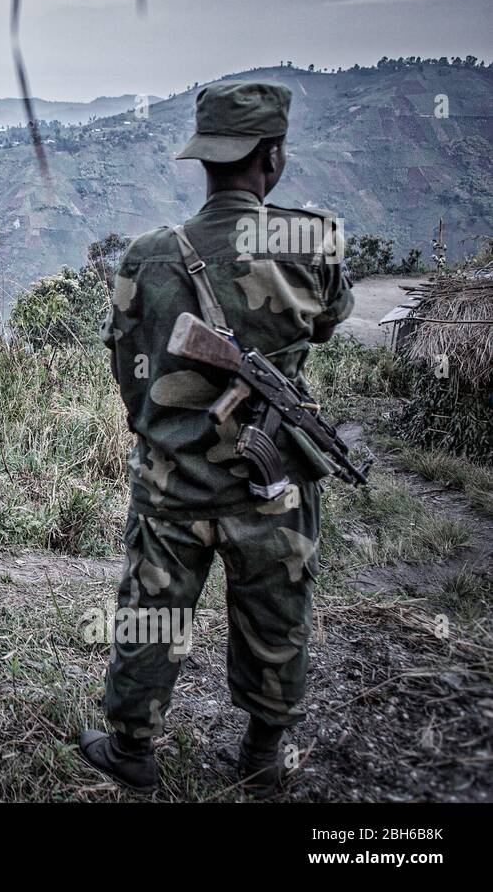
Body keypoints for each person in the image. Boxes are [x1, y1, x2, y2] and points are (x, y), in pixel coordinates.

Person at [79, 81, 354, 796]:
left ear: (206, 160)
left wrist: (171, 430)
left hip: (173, 481)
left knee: (153, 609)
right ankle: (263, 754)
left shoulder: (146, 255)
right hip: (272, 488)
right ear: (273, 156)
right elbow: (327, 322)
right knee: (277, 609)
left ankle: (131, 747)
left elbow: (128, 367)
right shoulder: (311, 240)